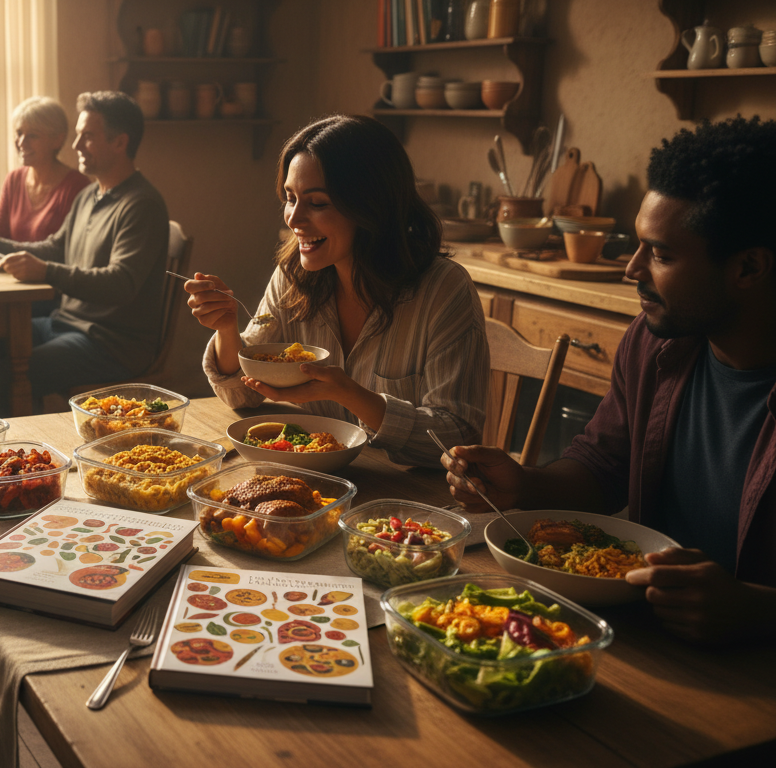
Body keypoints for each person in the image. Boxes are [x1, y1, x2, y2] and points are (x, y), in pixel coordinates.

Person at [441, 116, 776, 644]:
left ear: (750, 267)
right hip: (643, 634)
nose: (632, 269)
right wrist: (525, 483)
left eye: (661, 254)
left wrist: (755, 610)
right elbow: (603, 467)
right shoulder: (655, 342)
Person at [186, 115, 489, 466]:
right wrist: (226, 328)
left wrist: (349, 393)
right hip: (313, 482)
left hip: (403, 500)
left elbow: (457, 440)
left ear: (371, 207)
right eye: (290, 198)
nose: (294, 219)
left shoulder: (443, 290)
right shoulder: (294, 274)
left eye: (317, 203)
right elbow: (241, 394)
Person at [0, 91, 170, 416]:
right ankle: (19, 434)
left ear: (120, 142)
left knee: (1, 381)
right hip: (65, 324)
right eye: (78, 135)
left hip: (110, 343)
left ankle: (29, 455)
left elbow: (121, 283)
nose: (77, 145)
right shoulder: (90, 195)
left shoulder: (141, 204)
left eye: (87, 137)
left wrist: (46, 271)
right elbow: (55, 247)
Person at [0, 96, 92, 245]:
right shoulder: (14, 179)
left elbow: (67, 251)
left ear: (57, 140)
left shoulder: (76, 186)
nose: (21, 142)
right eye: (19, 133)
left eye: (32, 135)